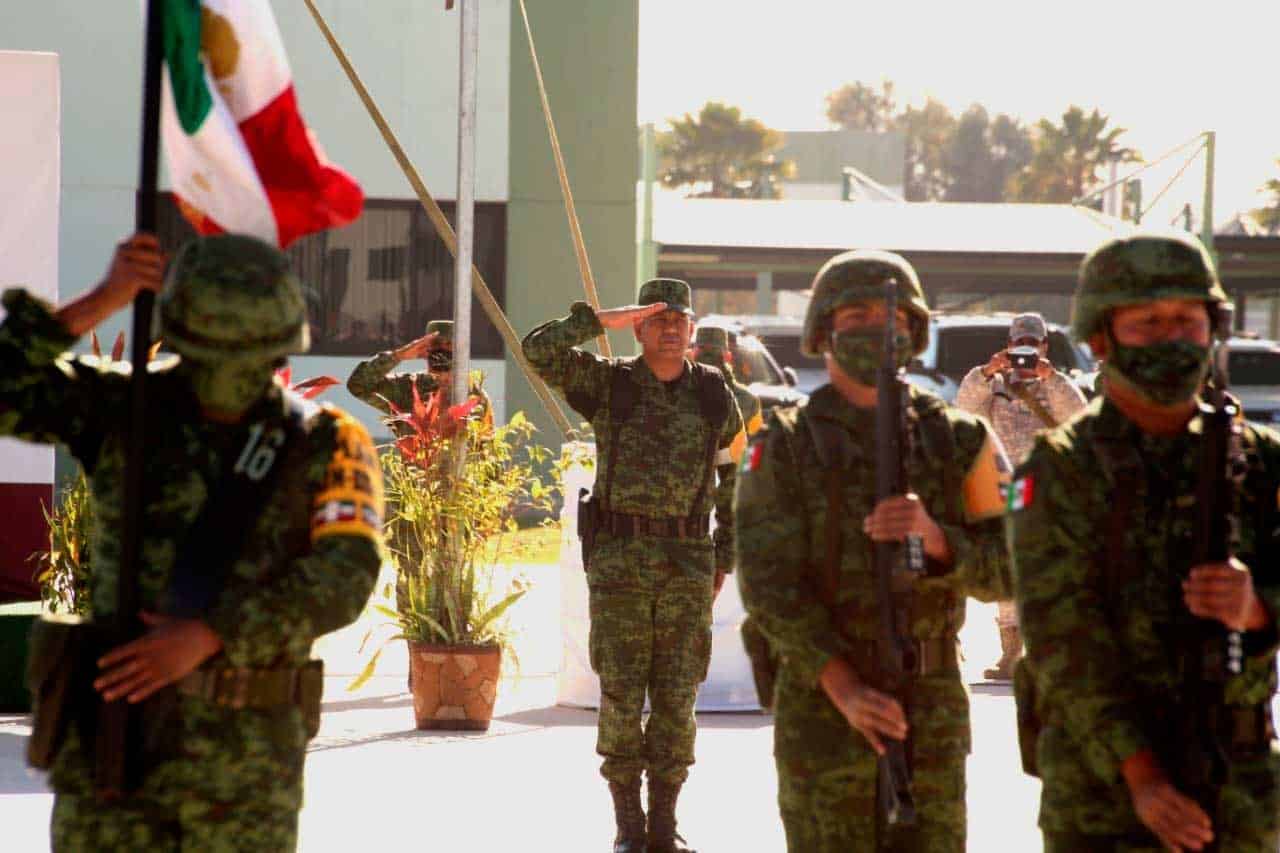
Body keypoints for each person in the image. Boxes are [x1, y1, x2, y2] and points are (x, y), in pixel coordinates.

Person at [4, 233, 384, 850]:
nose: (228, 376)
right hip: (113, 752)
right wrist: (105, 297)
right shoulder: (119, 406)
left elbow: (347, 573)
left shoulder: (324, 439)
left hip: (244, 772)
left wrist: (213, 632)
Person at [1010, 230, 1280, 852]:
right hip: (1103, 791)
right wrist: (1144, 777)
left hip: (1236, 784)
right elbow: (1061, 639)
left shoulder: (1260, 462)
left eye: (1186, 320)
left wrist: (1258, 604)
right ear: (1102, 337)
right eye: (1147, 322)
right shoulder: (1059, 471)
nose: (1170, 339)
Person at [735, 250, 1012, 852]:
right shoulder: (783, 443)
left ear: (914, 332)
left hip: (930, 711)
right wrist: (842, 686)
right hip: (824, 710)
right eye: (855, 314)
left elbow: (1013, 568)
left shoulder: (959, 438)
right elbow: (766, 584)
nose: (876, 330)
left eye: (892, 319)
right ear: (823, 330)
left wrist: (938, 540)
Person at [522, 278, 745, 853]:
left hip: (688, 560)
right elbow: (538, 349)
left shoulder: (714, 392)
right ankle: (627, 825)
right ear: (639, 328)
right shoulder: (609, 382)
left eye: (679, 319)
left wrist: (725, 555)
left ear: (692, 332)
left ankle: (664, 826)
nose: (670, 327)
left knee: (677, 695)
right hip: (620, 557)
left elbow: (734, 477)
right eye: (657, 318)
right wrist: (600, 320)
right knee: (620, 692)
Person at [954, 312, 1086, 680]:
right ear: (1008, 346)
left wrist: (1052, 380)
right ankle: (1010, 652)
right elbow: (963, 411)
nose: (1024, 353)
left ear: (1044, 347)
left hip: (1049, 490)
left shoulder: (1057, 384)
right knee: (1008, 567)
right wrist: (986, 373)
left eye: (1032, 344)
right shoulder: (994, 383)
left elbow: (1080, 417)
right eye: (1018, 345)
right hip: (1006, 487)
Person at [346, 318, 493, 436]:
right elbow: (358, 385)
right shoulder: (408, 387)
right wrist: (399, 356)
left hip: (461, 473)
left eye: (449, 344)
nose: (442, 349)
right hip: (417, 471)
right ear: (426, 348)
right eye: (436, 344)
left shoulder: (474, 395)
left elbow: (487, 448)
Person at [689, 324, 764, 437]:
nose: (708, 356)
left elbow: (754, 444)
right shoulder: (749, 399)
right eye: (703, 350)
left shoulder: (749, 400)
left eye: (714, 351)